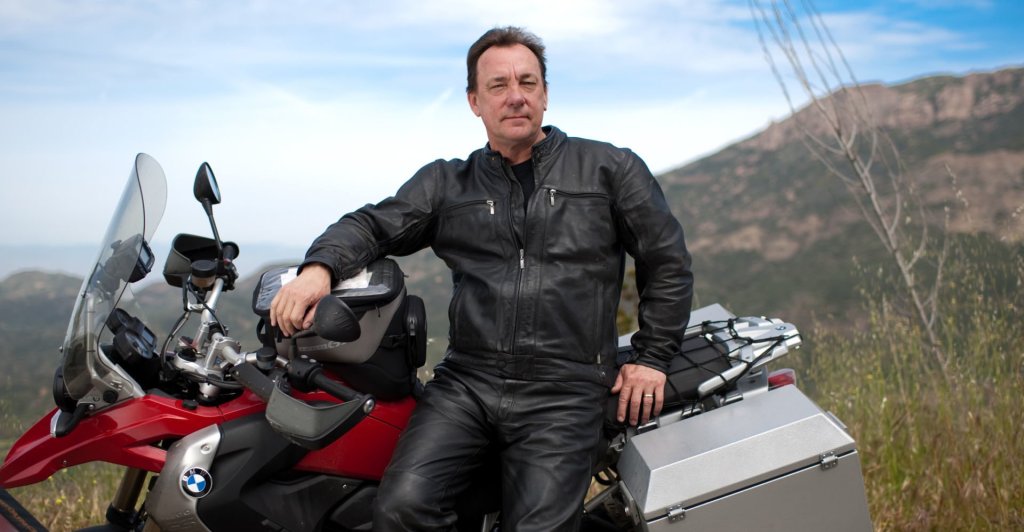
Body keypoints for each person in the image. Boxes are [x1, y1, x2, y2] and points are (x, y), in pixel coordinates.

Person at [270, 26, 693, 532]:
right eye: (498, 85)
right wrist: (319, 269)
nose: (516, 96)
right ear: (475, 101)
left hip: (566, 388)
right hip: (468, 383)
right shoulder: (448, 183)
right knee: (401, 508)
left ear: (545, 94)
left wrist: (651, 358)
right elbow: (370, 225)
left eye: (528, 82)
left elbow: (667, 262)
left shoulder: (610, 168)